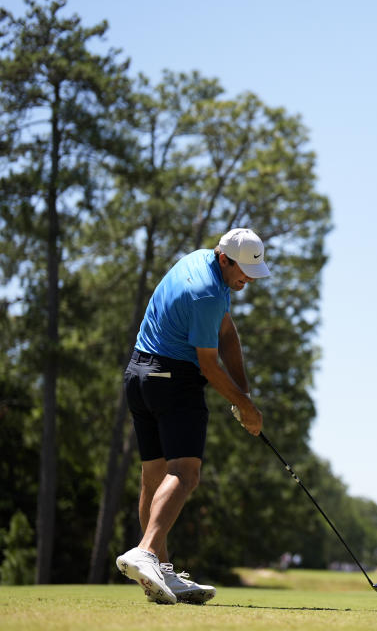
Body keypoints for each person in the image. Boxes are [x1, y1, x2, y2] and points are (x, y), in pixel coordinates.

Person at [115, 228, 269, 605]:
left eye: (252, 272)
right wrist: (247, 410)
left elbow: (227, 333)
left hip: (139, 375)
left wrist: (243, 394)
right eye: (243, 271)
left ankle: (161, 572)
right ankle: (147, 551)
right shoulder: (206, 293)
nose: (247, 279)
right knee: (185, 472)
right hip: (172, 379)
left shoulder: (201, 262)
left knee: (153, 477)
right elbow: (209, 365)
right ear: (224, 258)